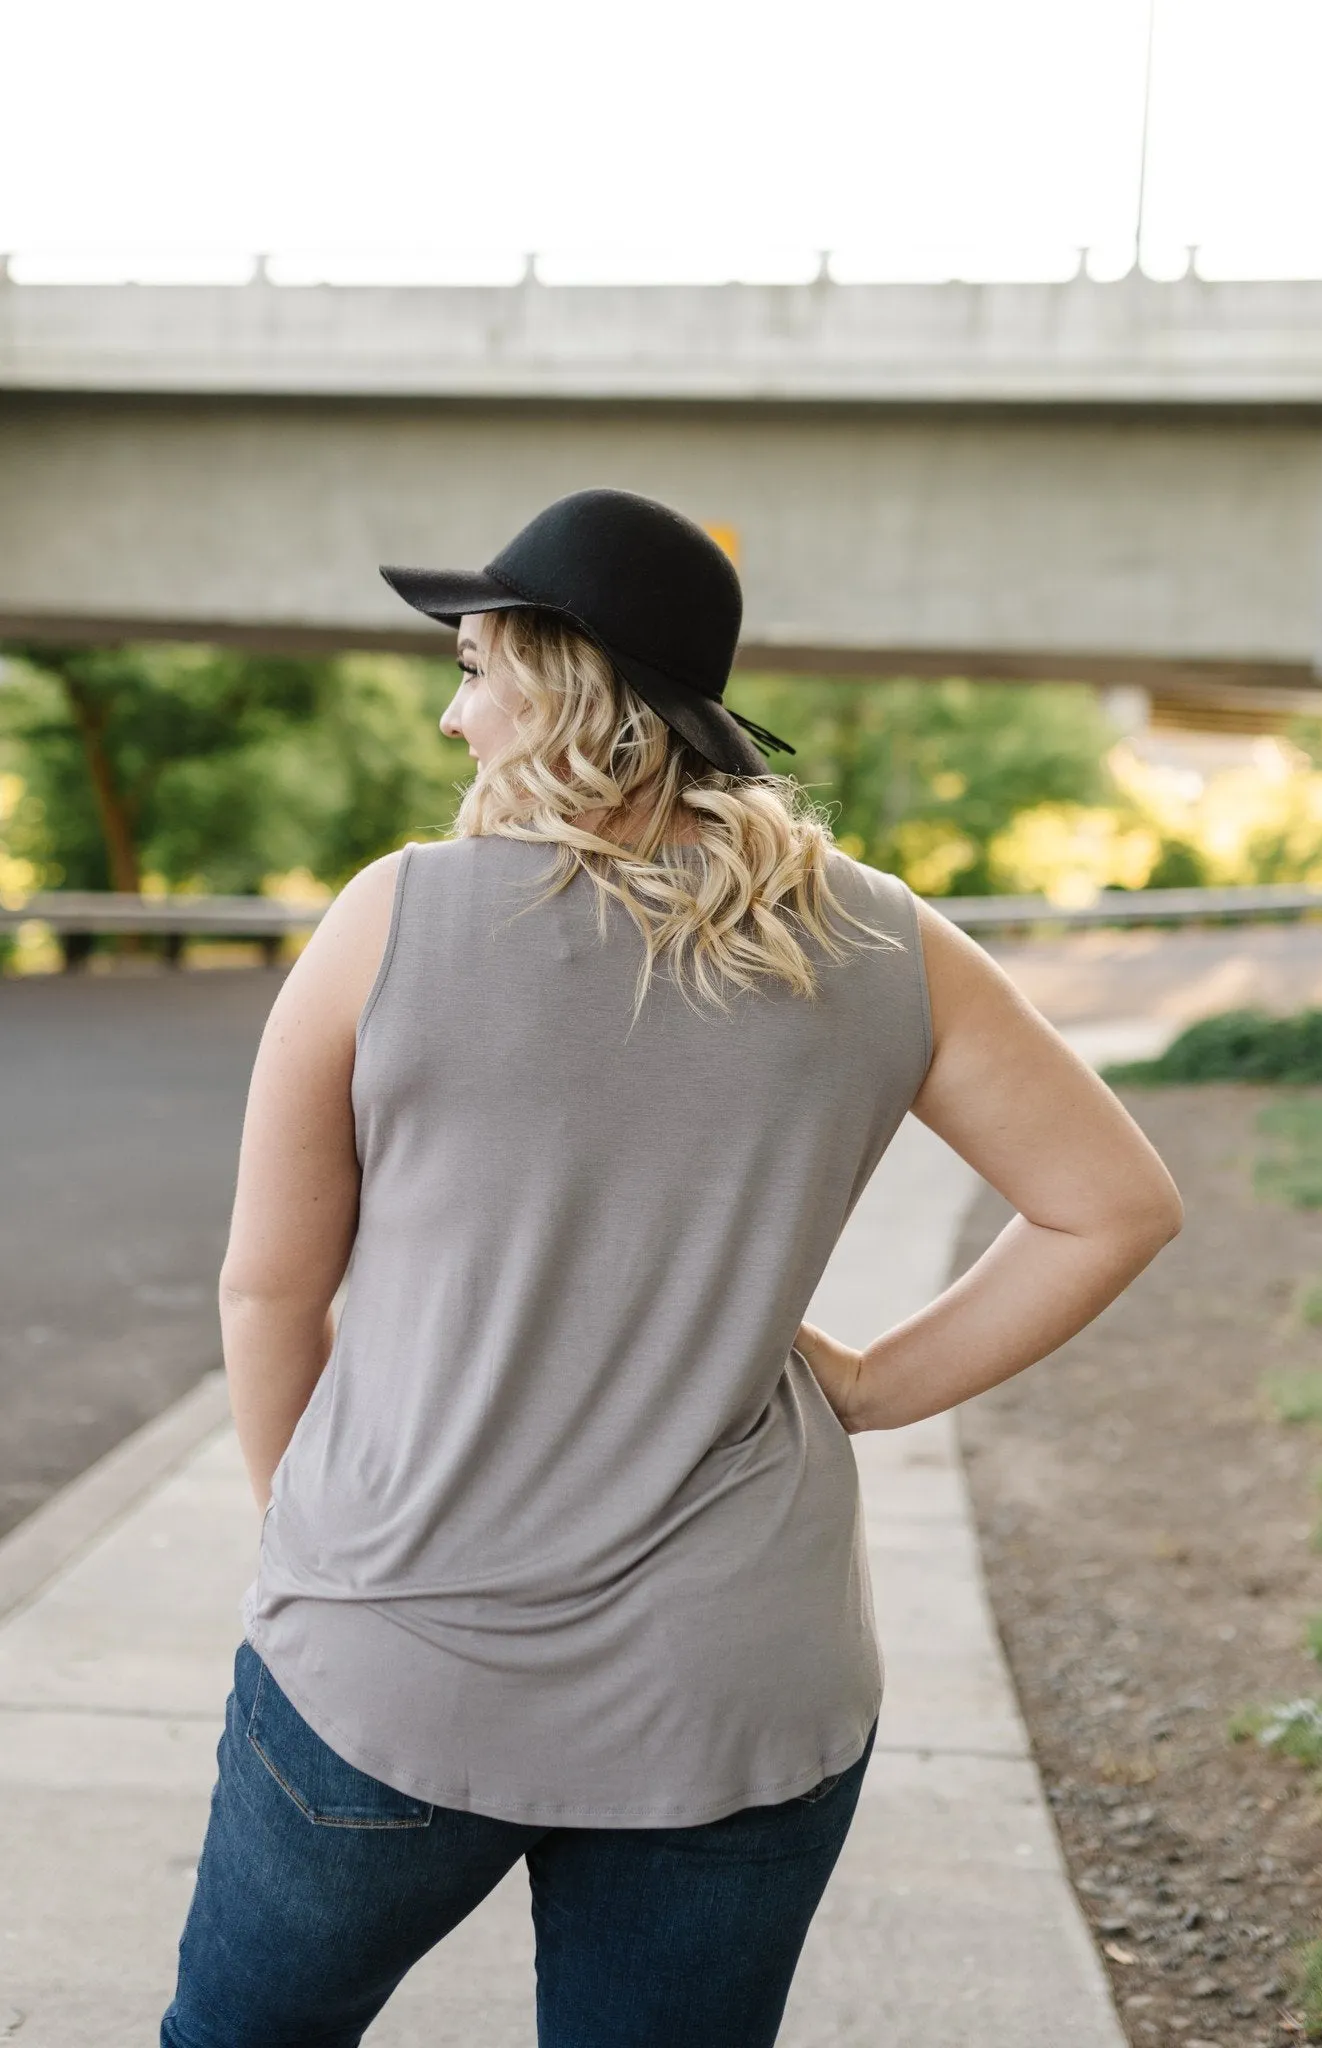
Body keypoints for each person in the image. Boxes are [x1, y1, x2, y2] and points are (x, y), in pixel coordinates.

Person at [160, 488, 1182, 2048]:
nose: (452, 716)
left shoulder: (393, 918)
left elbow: (269, 1291)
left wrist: (320, 1566)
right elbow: (1114, 1205)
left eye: (477, 668)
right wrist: (865, 1383)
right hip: (739, 1693)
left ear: (561, 686)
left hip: (394, 1658)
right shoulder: (885, 942)